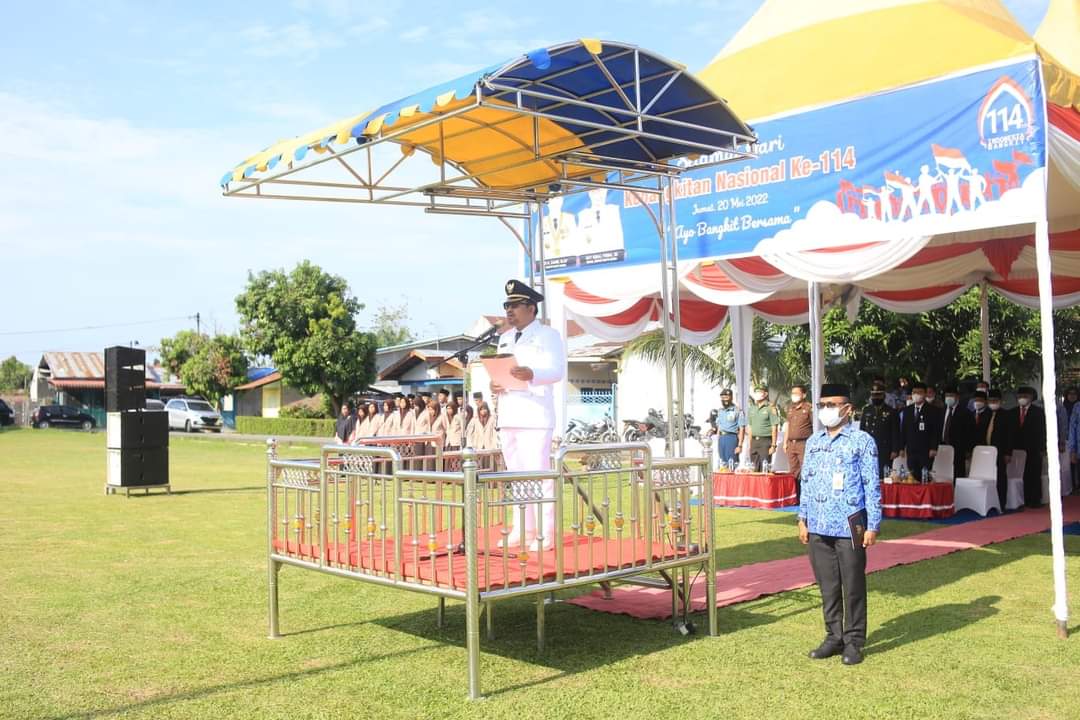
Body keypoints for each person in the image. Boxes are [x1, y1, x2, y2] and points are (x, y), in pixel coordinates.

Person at [798, 382, 881, 666]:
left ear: (848, 409)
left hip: (850, 523)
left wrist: (873, 525)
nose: (826, 410)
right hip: (818, 523)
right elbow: (806, 483)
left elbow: (872, 485)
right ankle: (833, 636)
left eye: (832, 405)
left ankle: (854, 641)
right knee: (828, 585)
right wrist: (802, 518)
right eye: (822, 405)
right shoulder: (814, 442)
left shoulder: (862, 441)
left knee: (853, 584)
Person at [491, 279, 566, 551]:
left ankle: (545, 533)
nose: (509, 311)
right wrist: (494, 384)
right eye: (506, 306)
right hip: (509, 412)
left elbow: (557, 371)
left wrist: (532, 373)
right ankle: (522, 528)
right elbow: (499, 371)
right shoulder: (504, 338)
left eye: (515, 305)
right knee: (516, 477)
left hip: (535, 415)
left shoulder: (548, 335)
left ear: (531, 308)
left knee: (539, 475)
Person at [974, 389, 1012, 509]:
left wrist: (1008, 453)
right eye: (990, 401)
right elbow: (980, 433)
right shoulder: (985, 414)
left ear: (1000, 401)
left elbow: (1009, 435)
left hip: (1000, 451)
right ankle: (987, 502)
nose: (992, 403)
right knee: (986, 476)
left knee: (1000, 476)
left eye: (995, 400)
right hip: (986, 452)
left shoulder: (1006, 415)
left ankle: (1001, 503)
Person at [898, 382, 942, 482]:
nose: (916, 395)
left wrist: (933, 447)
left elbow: (936, 431)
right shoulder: (907, 410)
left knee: (924, 476)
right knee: (912, 476)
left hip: (926, 450)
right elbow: (904, 430)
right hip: (911, 449)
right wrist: (901, 447)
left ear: (925, 394)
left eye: (920, 392)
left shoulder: (933, 411)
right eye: (914, 392)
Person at [1011, 386, 1046, 508]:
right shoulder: (1012, 412)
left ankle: (1035, 500)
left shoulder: (1038, 412)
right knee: (1021, 474)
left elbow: (1042, 431)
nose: (1022, 398)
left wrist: (1042, 448)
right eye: (1020, 396)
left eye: (1025, 396)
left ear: (1031, 397)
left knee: (1034, 473)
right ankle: (1022, 499)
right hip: (1017, 448)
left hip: (1034, 448)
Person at [859, 381, 899, 475]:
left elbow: (895, 432)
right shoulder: (867, 410)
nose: (875, 397)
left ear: (884, 396)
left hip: (885, 449)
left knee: (884, 475)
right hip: (868, 449)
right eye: (873, 395)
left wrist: (895, 450)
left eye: (878, 395)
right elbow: (862, 430)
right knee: (869, 473)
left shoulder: (891, 411)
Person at [784, 383, 814, 493]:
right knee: (793, 471)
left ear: (804, 395)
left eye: (797, 393)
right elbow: (788, 426)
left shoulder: (809, 408)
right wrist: (785, 442)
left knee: (805, 469)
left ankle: (806, 494)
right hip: (791, 444)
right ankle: (795, 495)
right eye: (793, 393)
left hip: (804, 443)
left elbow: (815, 426)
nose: (794, 395)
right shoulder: (790, 408)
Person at [940, 385, 973, 481]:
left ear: (957, 396)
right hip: (942, 448)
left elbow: (969, 432)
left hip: (958, 449)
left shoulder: (965, 413)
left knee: (958, 474)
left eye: (951, 395)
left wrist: (968, 449)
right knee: (943, 474)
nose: (949, 398)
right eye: (947, 396)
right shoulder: (941, 411)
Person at [745, 384, 780, 471]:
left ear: (765, 394)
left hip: (765, 441)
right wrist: (749, 444)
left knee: (765, 467)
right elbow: (750, 427)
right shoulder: (752, 408)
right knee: (753, 468)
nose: (757, 394)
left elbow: (774, 428)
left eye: (760, 392)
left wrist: (773, 445)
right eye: (756, 392)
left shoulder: (770, 408)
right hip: (754, 441)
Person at [714, 388, 745, 468]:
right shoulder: (720, 411)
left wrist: (740, 445)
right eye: (723, 398)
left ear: (731, 397)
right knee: (722, 463)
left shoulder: (737, 411)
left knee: (732, 463)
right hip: (722, 438)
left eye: (726, 397)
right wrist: (718, 439)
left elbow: (742, 429)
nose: (724, 399)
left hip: (731, 438)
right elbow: (719, 426)